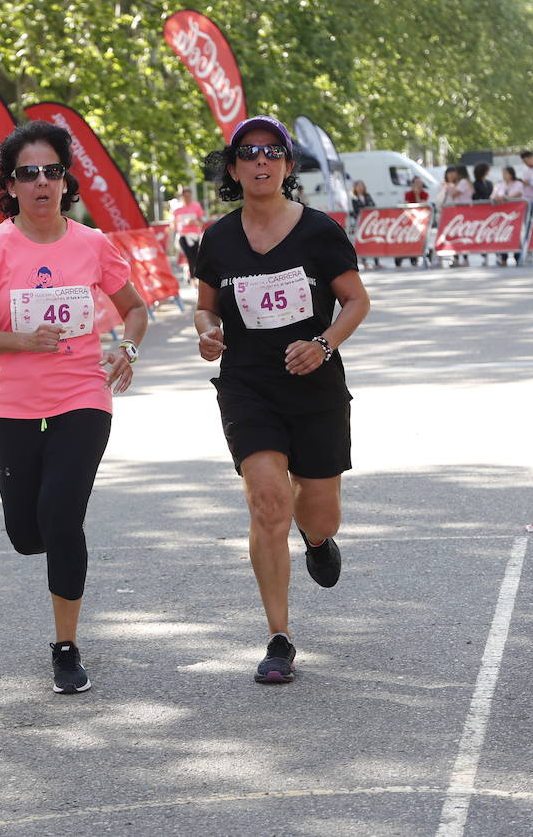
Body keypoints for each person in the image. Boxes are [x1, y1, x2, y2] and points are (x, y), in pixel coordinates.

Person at [0, 120, 148, 696]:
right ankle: (46, 541)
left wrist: (127, 348)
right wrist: (21, 341)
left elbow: (135, 309)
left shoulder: (91, 244)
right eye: (28, 173)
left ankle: (66, 647)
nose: (42, 182)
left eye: (52, 172)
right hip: (13, 404)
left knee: (63, 517)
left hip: (82, 397)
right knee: (27, 531)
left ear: (66, 181)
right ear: (11, 185)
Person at [194, 115, 370, 684]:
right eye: (249, 153)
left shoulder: (318, 231)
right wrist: (206, 331)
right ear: (235, 168)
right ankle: (279, 637)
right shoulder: (218, 239)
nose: (261, 162)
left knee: (319, 511)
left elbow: (356, 303)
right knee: (267, 501)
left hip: (315, 388)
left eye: (273, 153)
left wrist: (323, 344)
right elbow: (205, 307)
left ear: (289, 167)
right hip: (248, 387)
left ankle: (317, 541)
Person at [438, 166, 473, 266]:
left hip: (461, 213)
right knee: (456, 236)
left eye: (454, 173)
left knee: (461, 235)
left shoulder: (462, 183)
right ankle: (457, 257)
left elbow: (454, 194)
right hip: (455, 213)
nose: (453, 175)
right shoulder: (462, 183)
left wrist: (449, 186)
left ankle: (463, 257)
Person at [171, 187, 207, 283]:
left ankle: (193, 276)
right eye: (185, 196)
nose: (187, 198)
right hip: (183, 236)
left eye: (189, 196)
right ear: (182, 196)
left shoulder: (196, 206)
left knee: (195, 257)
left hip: (195, 236)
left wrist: (194, 222)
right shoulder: (177, 209)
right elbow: (173, 225)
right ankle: (193, 279)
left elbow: (202, 222)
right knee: (190, 257)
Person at [491, 166, 525, 265]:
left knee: (516, 234)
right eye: (503, 173)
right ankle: (503, 257)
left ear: (511, 173)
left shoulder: (518, 183)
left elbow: (518, 194)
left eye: (506, 173)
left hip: (515, 214)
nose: (504, 175)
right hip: (502, 215)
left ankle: (517, 257)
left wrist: (506, 197)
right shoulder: (499, 184)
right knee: (502, 234)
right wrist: (496, 198)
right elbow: (493, 196)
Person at [398, 176, 429, 268]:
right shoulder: (408, 194)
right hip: (410, 221)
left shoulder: (424, 194)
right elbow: (405, 205)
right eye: (416, 183)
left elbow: (422, 205)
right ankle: (410, 256)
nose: (418, 185)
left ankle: (417, 256)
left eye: (420, 183)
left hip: (420, 221)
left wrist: (417, 195)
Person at [350, 180, 379, 269]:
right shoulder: (354, 198)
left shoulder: (367, 196)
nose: (360, 188)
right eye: (358, 186)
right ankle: (364, 261)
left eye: (361, 186)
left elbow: (373, 205)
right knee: (362, 241)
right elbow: (356, 210)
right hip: (360, 223)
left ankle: (376, 261)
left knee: (373, 240)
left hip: (369, 223)